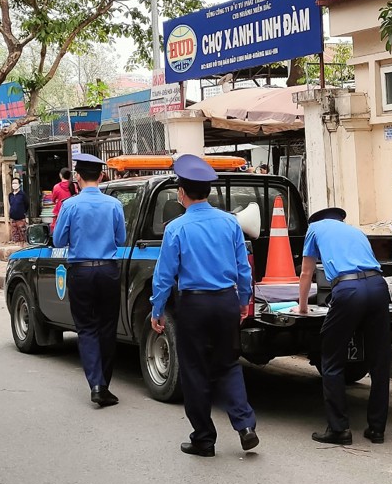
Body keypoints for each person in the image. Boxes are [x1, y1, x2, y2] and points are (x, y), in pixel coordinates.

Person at [150, 154, 258, 457]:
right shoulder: (229, 223)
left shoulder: (176, 228)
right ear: (208, 193)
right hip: (225, 302)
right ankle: (245, 425)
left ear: (182, 193)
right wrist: (242, 302)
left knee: (195, 370)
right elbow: (242, 269)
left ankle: (204, 438)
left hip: (194, 306)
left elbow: (164, 275)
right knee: (228, 364)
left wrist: (157, 310)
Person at [295, 207, 392, 445]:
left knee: (332, 359)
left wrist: (303, 306)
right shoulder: (356, 232)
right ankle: (377, 429)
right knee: (379, 361)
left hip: (348, 290)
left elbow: (306, 273)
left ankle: (339, 429)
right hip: (378, 287)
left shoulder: (314, 229)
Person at [53, 154, 125, 408]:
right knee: (107, 327)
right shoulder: (114, 205)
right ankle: (104, 384)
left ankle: (96, 384)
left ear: (78, 178)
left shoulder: (70, 206)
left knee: (86, 328)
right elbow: (121, 240)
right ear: (102, 176)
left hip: (80, 271)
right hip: (108, 271)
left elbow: (59, 241)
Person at [8, 177, 30, 244]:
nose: (14, 184)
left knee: (22, 236)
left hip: (21, 219)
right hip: (13, 219)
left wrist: (23, 212)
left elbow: (27, 204)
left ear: (19, 184)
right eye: (13, 183)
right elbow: (11, 204)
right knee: (15, 237)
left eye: (16, 183)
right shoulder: (10, 195)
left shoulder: (22, 195)